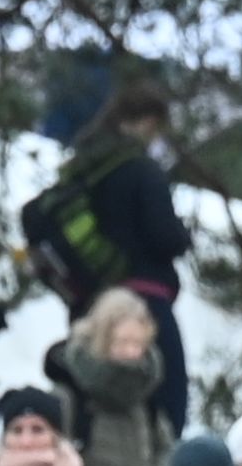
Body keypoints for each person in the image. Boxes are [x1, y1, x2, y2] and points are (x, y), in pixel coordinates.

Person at [22, 81, 197, 414]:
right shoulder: (142, 170)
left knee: (95, 400)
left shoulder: (82, 168)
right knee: (166, 401)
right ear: (149, 121)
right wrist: (183, 236)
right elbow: (164, 237)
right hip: (143, 300)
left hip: (91, 306)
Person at [59, 287, 179, 466]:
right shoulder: (72, 396)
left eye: (138, 344)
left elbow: (165, 450)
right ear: (102, 340)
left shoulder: (146, 398)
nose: (131, 353)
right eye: (122, 342)